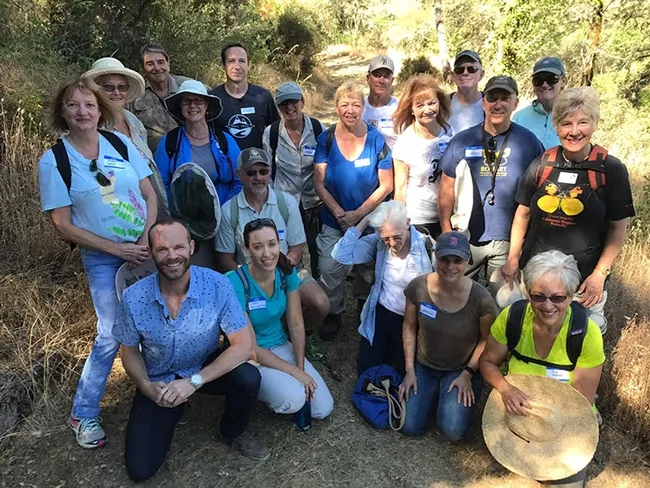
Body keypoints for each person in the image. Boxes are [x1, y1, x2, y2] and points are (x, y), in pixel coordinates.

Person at [38, 77, 158, 448]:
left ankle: (156, 392)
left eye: (89, 105)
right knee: (110, 332)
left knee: (155, 317)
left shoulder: (120, 143)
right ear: (63, 112)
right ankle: (84, 412)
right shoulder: (54, 160)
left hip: (144, 249)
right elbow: (62, 224)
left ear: (100, 109)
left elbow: (149, 194)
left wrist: (144, 241)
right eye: (73, 105)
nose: (82, 112)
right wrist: (117, 250)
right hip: (104, 259)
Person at [113, 219, 268, 482]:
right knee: (140, 469)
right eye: (162, 249)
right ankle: (175, 407)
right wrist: (145, 386)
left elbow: (243, 345)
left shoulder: (217, 285)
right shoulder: (133, 298)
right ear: (151, 253)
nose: (172, 256)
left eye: (178, 247)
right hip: (159, 378)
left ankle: (233, 431)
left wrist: (194, 382)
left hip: (202, 364)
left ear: (192, 247)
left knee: (248, 378)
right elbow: (129, 351)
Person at [502, 87, 635, 332]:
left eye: (583, 122)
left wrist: (599, 275)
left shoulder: (610, 170)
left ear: (594, 123)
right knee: (531, 337)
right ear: (556, 127)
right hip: (536, 281)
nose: (574, 131)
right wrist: (513, 259)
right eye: (566, 124)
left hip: (583, 284)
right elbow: (522, 213)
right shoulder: (542, 165)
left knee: (579, 343)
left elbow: (618, 228)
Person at [480, 250, 605, 487]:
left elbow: (580, 401)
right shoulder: (512, 318)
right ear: (528, 293)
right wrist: (506, 389)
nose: (547, 306)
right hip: (517, 408)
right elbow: (487, 362)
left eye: (558, 298)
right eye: (538, 297)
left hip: (565, 415)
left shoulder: (586, 334)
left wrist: (551, 434)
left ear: (570, 296)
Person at [438, 76, 544, 285]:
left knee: (501, 301)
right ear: (483, 102)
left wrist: (519, 249)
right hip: (466, 236)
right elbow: (446, 189)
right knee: (458, 296)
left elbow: (538, 191)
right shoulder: (462, 140)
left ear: (515, 102)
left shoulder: (528, 142)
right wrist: (446, 232)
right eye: (492, 97)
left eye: (504, 98)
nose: (498, 104)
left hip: (508, 240)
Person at [226, 218, 334, 424]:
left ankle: (286, 384)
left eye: (272, 244)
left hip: (281, 344)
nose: (267, 253)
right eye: (258, 247)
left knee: (323, 408)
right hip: (252, 356)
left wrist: (300, 366)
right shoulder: (236, 282)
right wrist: (295, 373)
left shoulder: (285, 272)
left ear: (279, 244)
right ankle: (261, 391)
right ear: (247, 249)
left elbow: (295, 323)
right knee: (294, 398)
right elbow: (250, 347)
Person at [398, 231, 498, 439]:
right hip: (424, 366)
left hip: (460, 369)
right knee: (409, 427)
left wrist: (467, 374)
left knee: (453, 431)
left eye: (457, 260)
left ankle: (447, 397)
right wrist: (409, 370)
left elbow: (487, 339)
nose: (450, 266)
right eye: (444, 259)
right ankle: (435, 396)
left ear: (468, 261)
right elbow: (409, 326)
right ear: (435, 255)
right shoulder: (418, 287)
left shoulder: (482, 299)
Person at [314, 81, 394, 340]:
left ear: (364, 107)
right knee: (329, 266)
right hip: (333, 220)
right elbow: (319, 183)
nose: (350, 110)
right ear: (336, 107)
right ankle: (333, 311)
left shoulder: (375, 139)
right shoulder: (325, 139)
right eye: (345, 104)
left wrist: (358, 214)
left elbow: (386, 185)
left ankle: (364, 306)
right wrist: (340, 213)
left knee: (368, 268)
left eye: (356, 104)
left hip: (369, 220)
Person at [215, 148, 330, 326]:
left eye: (263, 171)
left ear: (270, 171)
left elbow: (296, 251)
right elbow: (226, 260)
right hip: (249, 277)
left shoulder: (287, 202)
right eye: (251, 172)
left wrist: (279, 277)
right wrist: (252, 281)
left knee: (321, 304)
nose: (258, 177)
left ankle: (297, 331)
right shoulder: (229, 211)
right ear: (239, 175)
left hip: (287, 270)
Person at [331, 201, 434, 375]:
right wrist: (365, 220)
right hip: (381, 313)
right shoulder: (377, 243)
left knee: (403, 372)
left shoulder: (427, 247)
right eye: (386, 238)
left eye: (397, 237)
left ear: (408, 223)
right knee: (367, 371)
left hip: (410, 320)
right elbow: (341, 254)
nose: (392, 243)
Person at [83, 56, 169, 217]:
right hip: (115, 214)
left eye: (122, 87)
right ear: (96, 90)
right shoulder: (91, 128)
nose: (116, 92)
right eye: (108, 87)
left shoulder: (133, 121)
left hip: (147, 208)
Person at [262, 82, 326, 278]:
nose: (290, 107)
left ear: (302, 102)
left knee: (318, 248)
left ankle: (317, 287)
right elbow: (267, 170)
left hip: (313, 201)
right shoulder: (271, 133)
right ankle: (289, 288)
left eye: (294, 102)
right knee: (286, 248)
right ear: (279, 108)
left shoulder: (317, 128)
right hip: (284, 201)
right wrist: (271, 200)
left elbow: (327, 164)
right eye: (284, 104)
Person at [393, 74, 454, 238]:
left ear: (439, 103)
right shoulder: (405, 141)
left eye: (432, 103)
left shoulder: (451, 134)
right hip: (418, 220)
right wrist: (399, 223)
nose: (427, 110)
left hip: (449, 218)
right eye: (420, 105)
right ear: (411, 109)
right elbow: (400, 188)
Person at [210, 42, 280, 150]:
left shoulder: (263, 96)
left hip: (258, 164)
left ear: (249, 65)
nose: (237, 67)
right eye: (231, 61)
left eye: (242, 61)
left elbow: (277, 133)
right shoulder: (213, 99)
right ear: (223, 65)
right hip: (225, 165)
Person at [130, 43, 190, 152]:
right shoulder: (136, 93)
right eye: (150, 64)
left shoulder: (187, 86)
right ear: (143, 68)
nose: (157, 68)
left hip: (188, 155)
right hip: (153, 160)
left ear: (168, 64)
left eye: (161, 62)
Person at [513, 57, 568, 149]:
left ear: (563, 81)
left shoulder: (573, 115)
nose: (544, 84)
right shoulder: (519, 118)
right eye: (538, 80)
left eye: (551, 78)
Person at [362, 55, 399, 148]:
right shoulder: (359, 107)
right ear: (368, 78)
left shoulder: (400, 108)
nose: (381, 80)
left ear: (392, 80)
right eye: (377, 75)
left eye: (386, 76)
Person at [448, 50, 485, 133]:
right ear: (453, 76)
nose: (465, 73)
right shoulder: (443, 104)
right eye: (459, 70)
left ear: (481, 74)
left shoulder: (491, 104)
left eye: (472, 69)